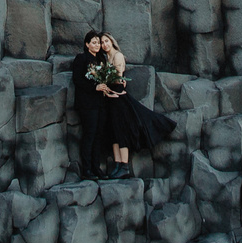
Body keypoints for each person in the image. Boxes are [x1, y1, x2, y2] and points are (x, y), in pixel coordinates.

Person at [70, 29, 174, 179]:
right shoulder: (82, 58)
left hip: (106, 102)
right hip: (89, 104)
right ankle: (88, 170)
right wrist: (96, 87)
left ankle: (100, 168)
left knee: (101, 135)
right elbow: (78, 79)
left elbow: (117, 75)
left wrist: (117, 81)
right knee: (91, 135)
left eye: (101, 42)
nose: (100, 45)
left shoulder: (103, 59)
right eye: (96, 42)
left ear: (111, 42)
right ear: (87, 44)